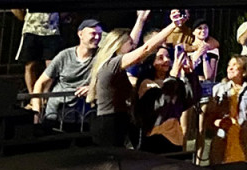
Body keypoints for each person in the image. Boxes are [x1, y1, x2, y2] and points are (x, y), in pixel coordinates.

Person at [87, 14, 177, 148]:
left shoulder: (112, 64)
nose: (133, 47)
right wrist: (174, 24)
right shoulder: (113, 63)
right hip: (110, 123)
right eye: (130, 43)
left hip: (114, 120)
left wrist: (141, 20)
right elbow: (146, 48)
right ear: (119, 44)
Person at [31, 18, 104, 128]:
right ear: (80, 34)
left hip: (82, 115)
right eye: (93, 34)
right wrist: (36, 113)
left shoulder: (101, 57)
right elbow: (40, 83)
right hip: (56, 112)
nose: (97, 37)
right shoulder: (65, 56)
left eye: (99, 34)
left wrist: (94, 88)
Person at [135, 44, 201, 154]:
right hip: (155, 141)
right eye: (160, 58)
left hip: (174, 139)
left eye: (168, 57)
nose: (166, 60)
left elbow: (190, 99)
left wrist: (190, 74)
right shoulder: (146, 84)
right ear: (151, 61)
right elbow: (163, 104)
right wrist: (174, 75)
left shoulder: (173, 82)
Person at [12, 10, 61, 95]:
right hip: (31, 30)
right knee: (30, 65)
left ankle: (46, 95)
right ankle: (32, 96)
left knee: (51, 65)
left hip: (52, 31)